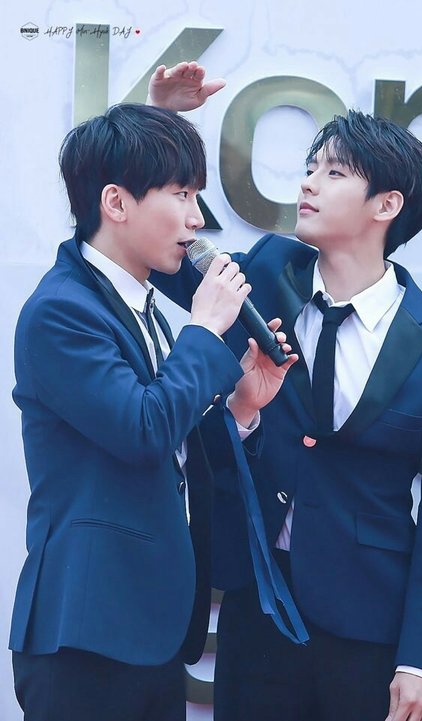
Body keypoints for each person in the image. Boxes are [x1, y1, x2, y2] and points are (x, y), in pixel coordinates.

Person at [147, 63, 422, 721]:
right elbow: (167, 251)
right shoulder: (268, 270)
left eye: (333, 172)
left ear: (386, 205)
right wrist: (161, 124)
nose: (307, 182)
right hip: (256, 606)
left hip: (371, 626)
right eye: (309, 167)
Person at [9, 102, 297, 721]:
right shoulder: (61, 312)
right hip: (88, 634)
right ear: (116, 203)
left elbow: (175, 448)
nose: (197, 219)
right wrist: (206, 330)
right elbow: (143, 431)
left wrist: (242, 407)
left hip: (152, 631)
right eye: (182, 194)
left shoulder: (140, 306)